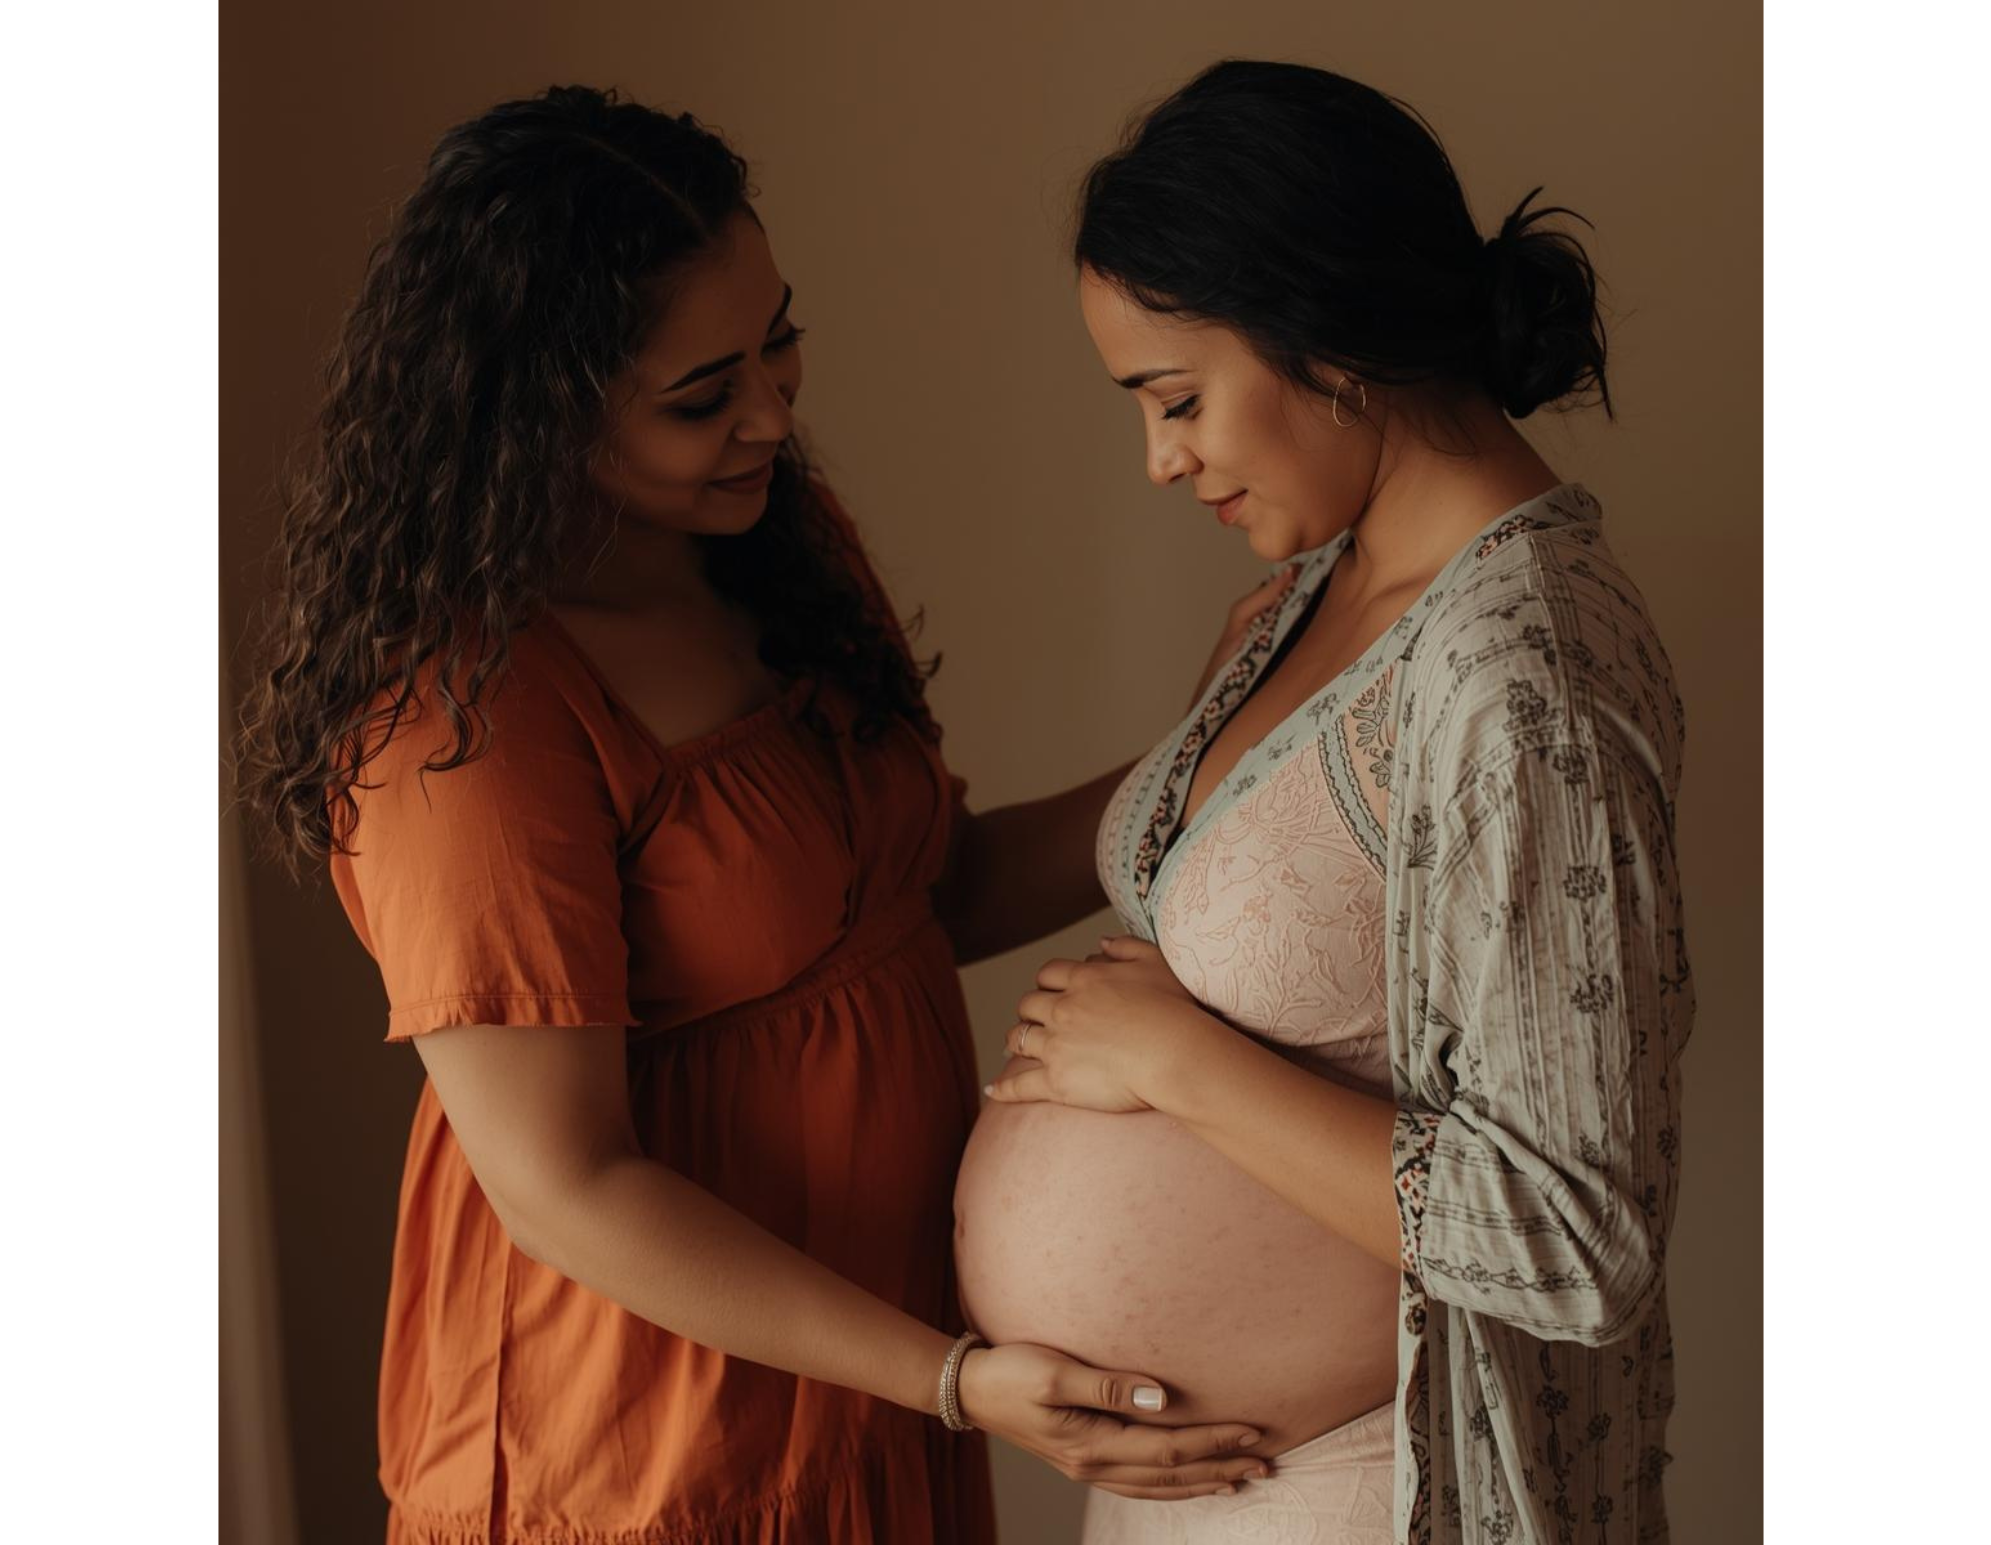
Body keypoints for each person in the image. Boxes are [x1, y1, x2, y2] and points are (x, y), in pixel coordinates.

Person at [233, 84, 1280, 1545]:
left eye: (777, 342)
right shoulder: (463, 723)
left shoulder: (764, 551)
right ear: (532, 411)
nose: (774, 416)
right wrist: (956, 1380)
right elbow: (565, 1186)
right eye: (701, 395)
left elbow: (936, 886)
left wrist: (1221, 753)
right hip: (640, 1454)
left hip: (865, 1398)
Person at [959, 59, 1692, 1544]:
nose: (1162, 458)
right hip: (1198, 1492)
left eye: (1175, 399)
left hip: (1385, 1484)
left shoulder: (1521, 673)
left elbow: (1576, 1237)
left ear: (1331, 340)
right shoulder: (1308, 594)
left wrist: (1174, 1063)